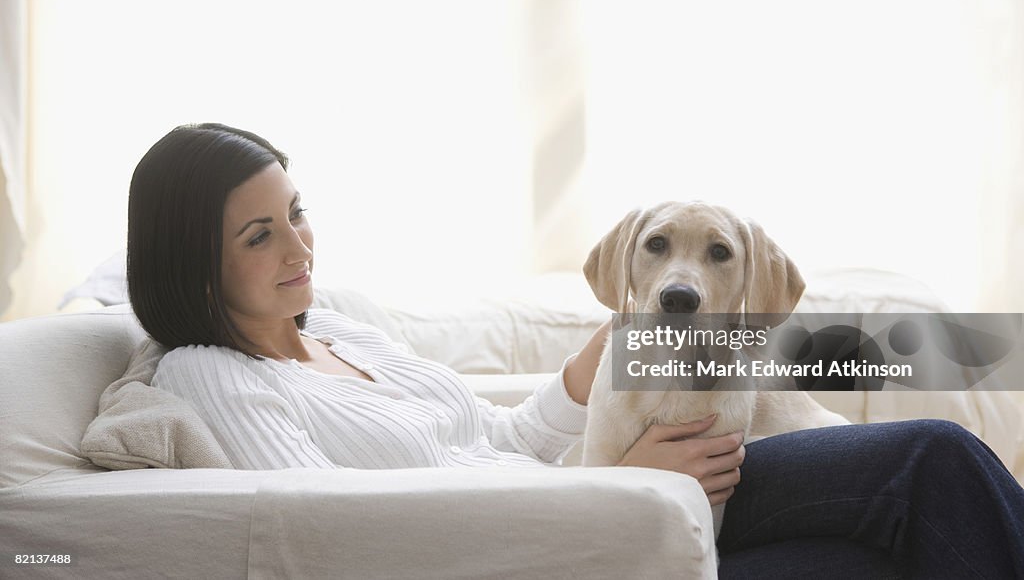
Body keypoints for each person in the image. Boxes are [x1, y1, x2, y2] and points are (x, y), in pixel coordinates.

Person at [130, 123, 1024, 578]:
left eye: (297, 212)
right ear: (193, 265)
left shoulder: (341, 330)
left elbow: (501, 436)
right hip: (577, 545)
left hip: (623, 503)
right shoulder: (211, 375)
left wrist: (606, 360)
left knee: (897, 550)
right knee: (931, 461)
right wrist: (615, 481)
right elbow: (337, 536)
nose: (298, 248)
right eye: (258, 235)